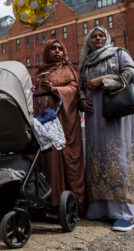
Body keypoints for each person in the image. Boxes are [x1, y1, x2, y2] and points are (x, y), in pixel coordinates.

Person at [78, 26, 134, 232]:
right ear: (89, 41)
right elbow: (81, 86)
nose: (98, 38)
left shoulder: (118, 53)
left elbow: (133, 73)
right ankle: (100, 209)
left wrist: (103, 80)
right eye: (94, 36)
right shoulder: (86, 62)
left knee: (118, 154)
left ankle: (124, 212)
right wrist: (82, 99)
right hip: (93, 115)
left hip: (116, 112)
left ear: (107, 38)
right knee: (97, 155)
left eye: (101, 35)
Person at [35, 39, 86, 216]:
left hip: (66, 120)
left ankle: (75, 203)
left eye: (60, 49)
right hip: (46, 120)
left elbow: (74, 89)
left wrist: (55, 89)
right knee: (50, 157)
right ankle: (50, 201)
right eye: (53, 48)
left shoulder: (69, 69)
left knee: (69, 155)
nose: (57, 51)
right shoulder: (40, 71)